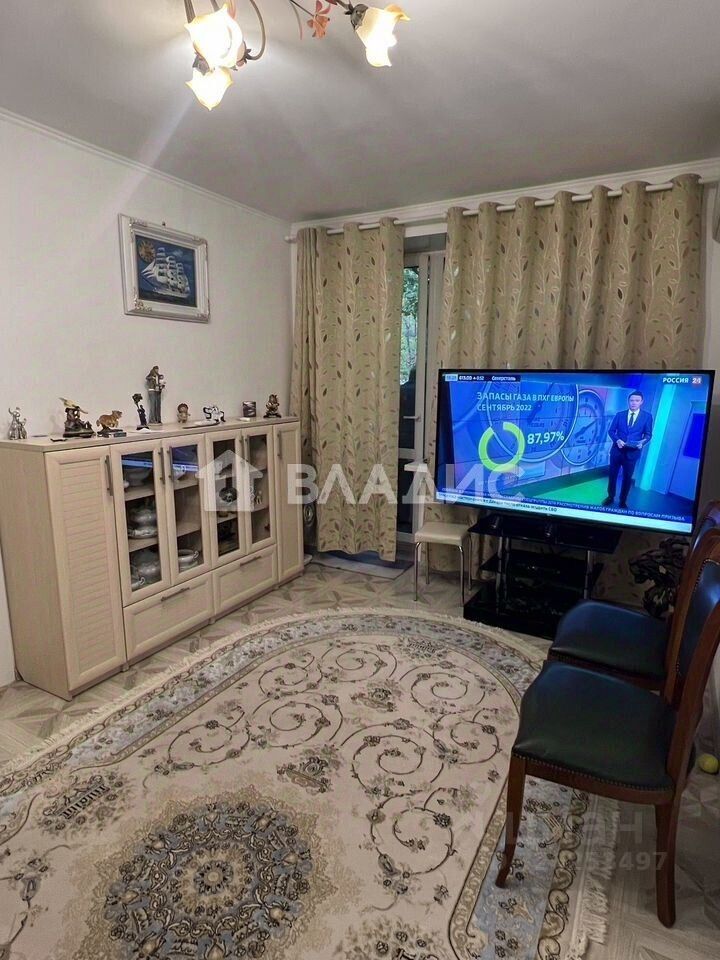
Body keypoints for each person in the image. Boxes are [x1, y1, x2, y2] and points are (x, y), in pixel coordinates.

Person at [603, 390, 653, 509]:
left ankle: (623, 500)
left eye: (637, 400)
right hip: (617, 451)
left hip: (632, 453)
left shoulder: (647, 417)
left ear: (641, 402)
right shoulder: (620, 415)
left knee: (627, 478)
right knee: (612, 475)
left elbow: (648, 435)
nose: (634, 403)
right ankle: (610, 497)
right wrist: (617, 440)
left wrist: (642, 443)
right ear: (628, 401)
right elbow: (611, 431)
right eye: (631, 400)